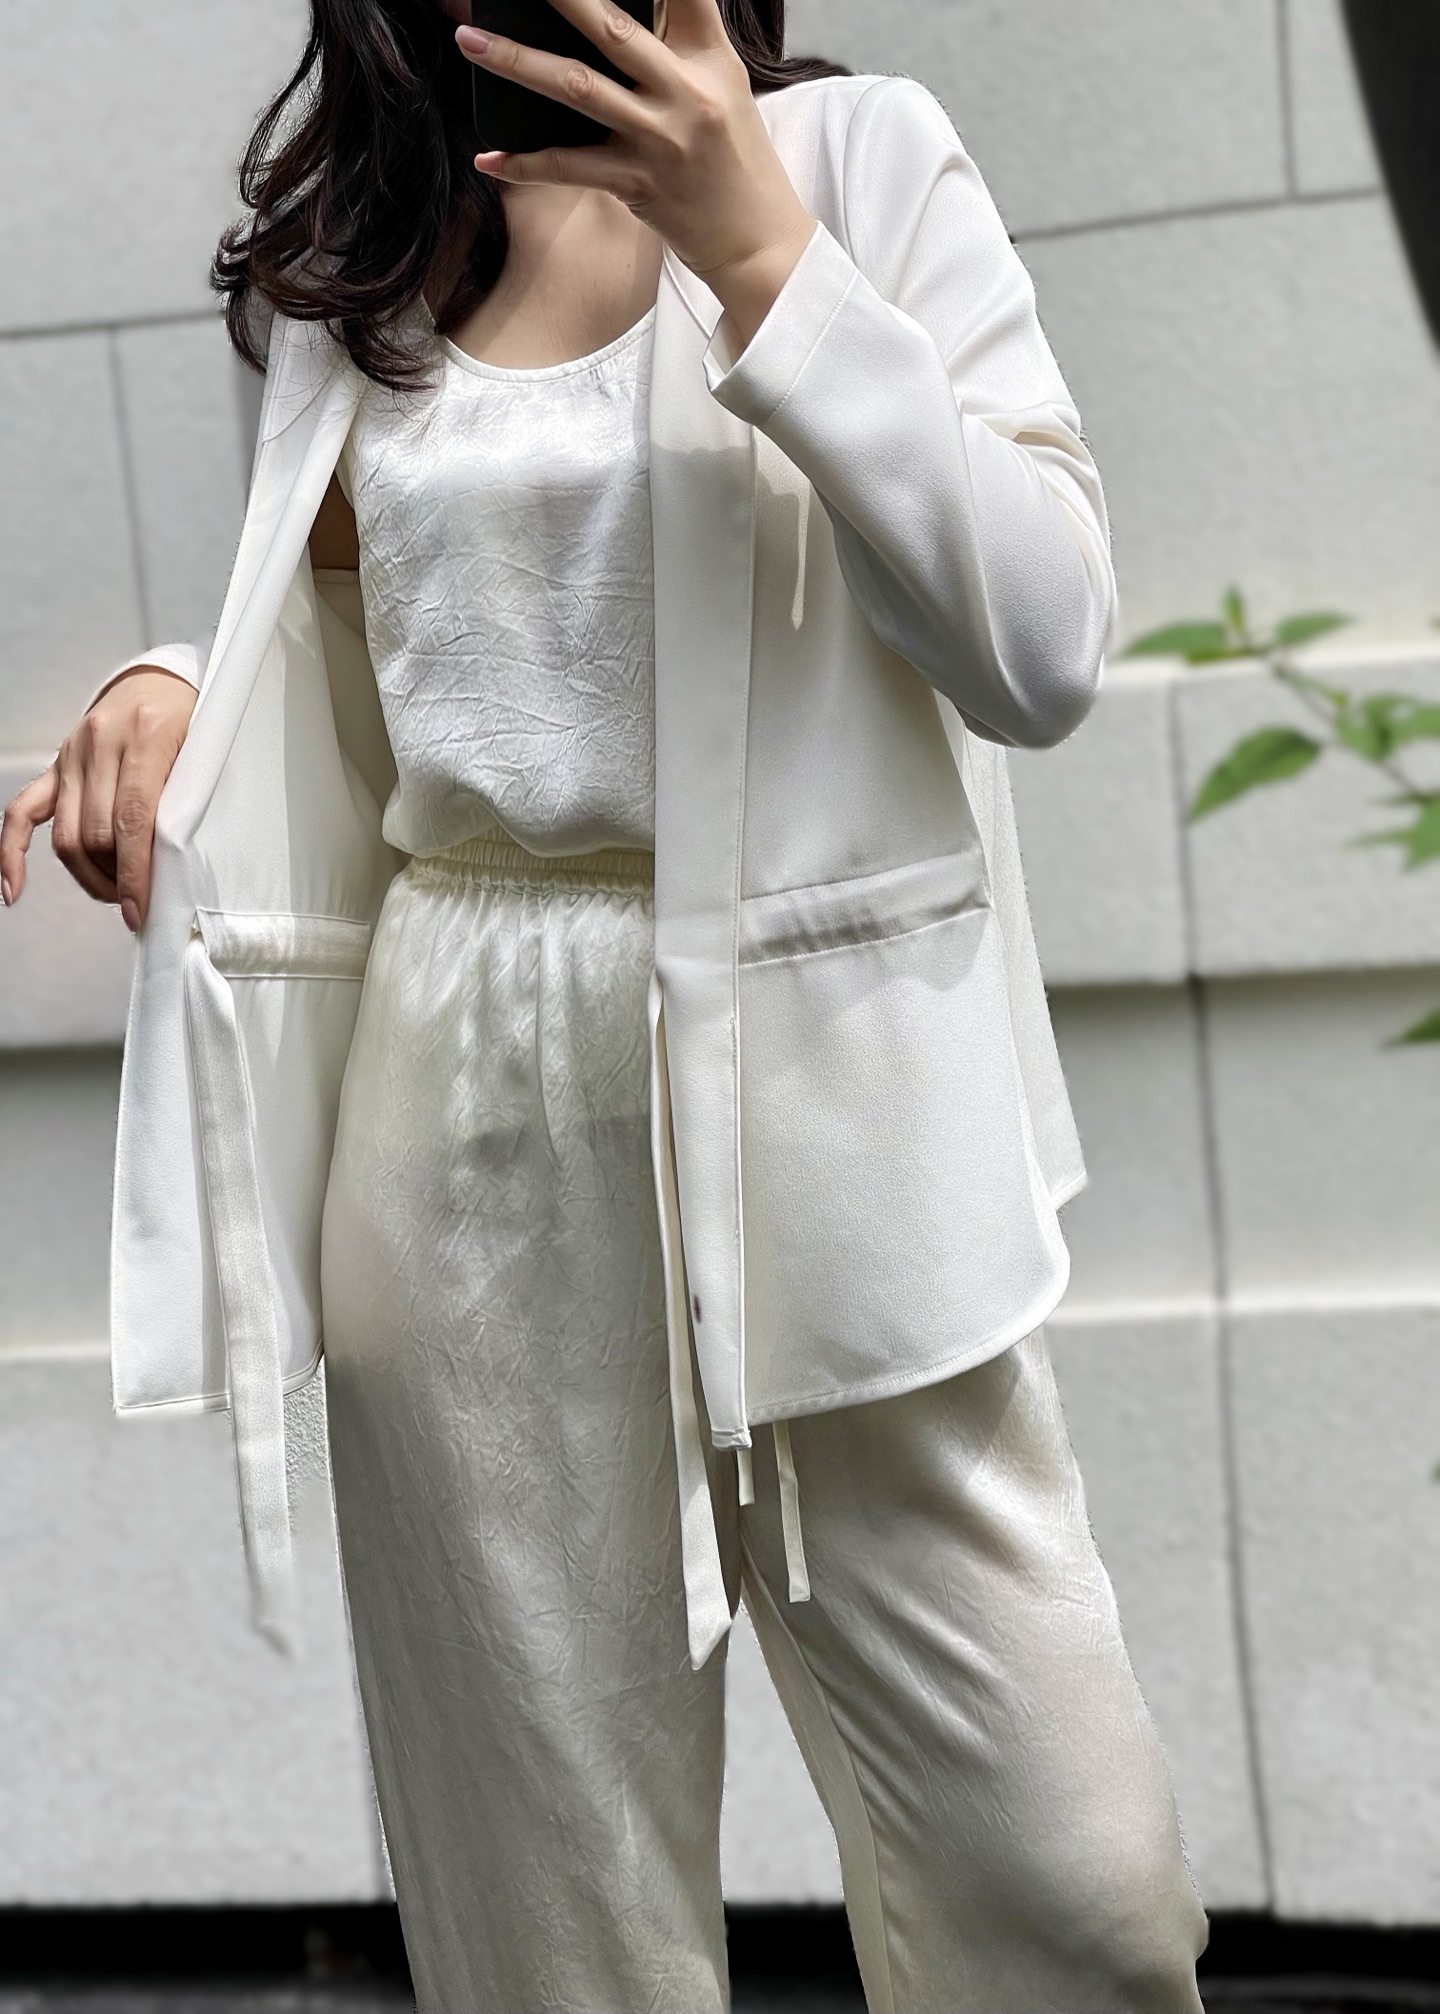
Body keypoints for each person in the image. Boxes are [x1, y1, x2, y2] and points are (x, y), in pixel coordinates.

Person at [2, 1, 1208, 2007]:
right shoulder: (362, 255)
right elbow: (375, 680)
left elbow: (1044, 640)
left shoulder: (859, 163)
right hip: (460, 1090)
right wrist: (173, 686)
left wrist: (767, 257)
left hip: (827, 1097)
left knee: (1071, 1886)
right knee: (551, 1918)